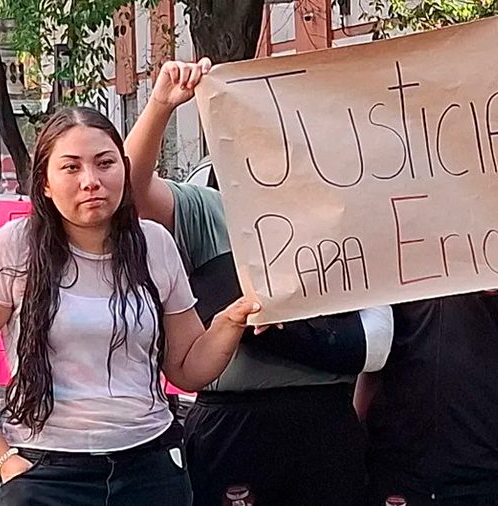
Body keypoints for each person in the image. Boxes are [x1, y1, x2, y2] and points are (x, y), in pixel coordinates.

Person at [0, 107, 260, 505]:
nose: (91, 181)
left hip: (149, 469)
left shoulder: (154, 243)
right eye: (71, 167)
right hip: (46, 473)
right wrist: (3, 460)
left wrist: (230, 322)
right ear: (45, 183)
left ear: (124, 169)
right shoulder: (16, 247)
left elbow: (187, 369)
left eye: (105, 164)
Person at [124, 60, 393, 505]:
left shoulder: (350, 217)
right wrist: (159, 106)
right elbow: (128, 194)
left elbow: (378, 339)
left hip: (328, 422)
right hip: (233, 425)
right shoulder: (209, 209)